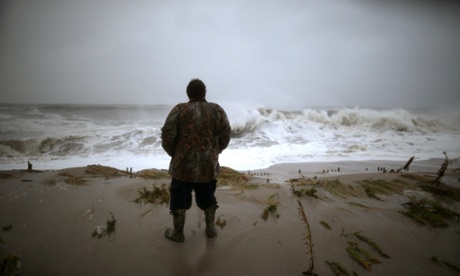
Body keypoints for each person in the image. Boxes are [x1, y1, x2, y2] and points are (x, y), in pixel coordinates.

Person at [161, 79, 231, 243]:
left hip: (182, 166)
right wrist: (215, 151)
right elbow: (226, 134)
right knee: (208, 198)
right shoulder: (217, 110)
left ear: (188, 93)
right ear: (204, 92)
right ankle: (211, 229)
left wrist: (175, 153)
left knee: (179, 200)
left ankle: (178, 233)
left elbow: (167, 135)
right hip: (208, 166)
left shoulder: (180, 109)